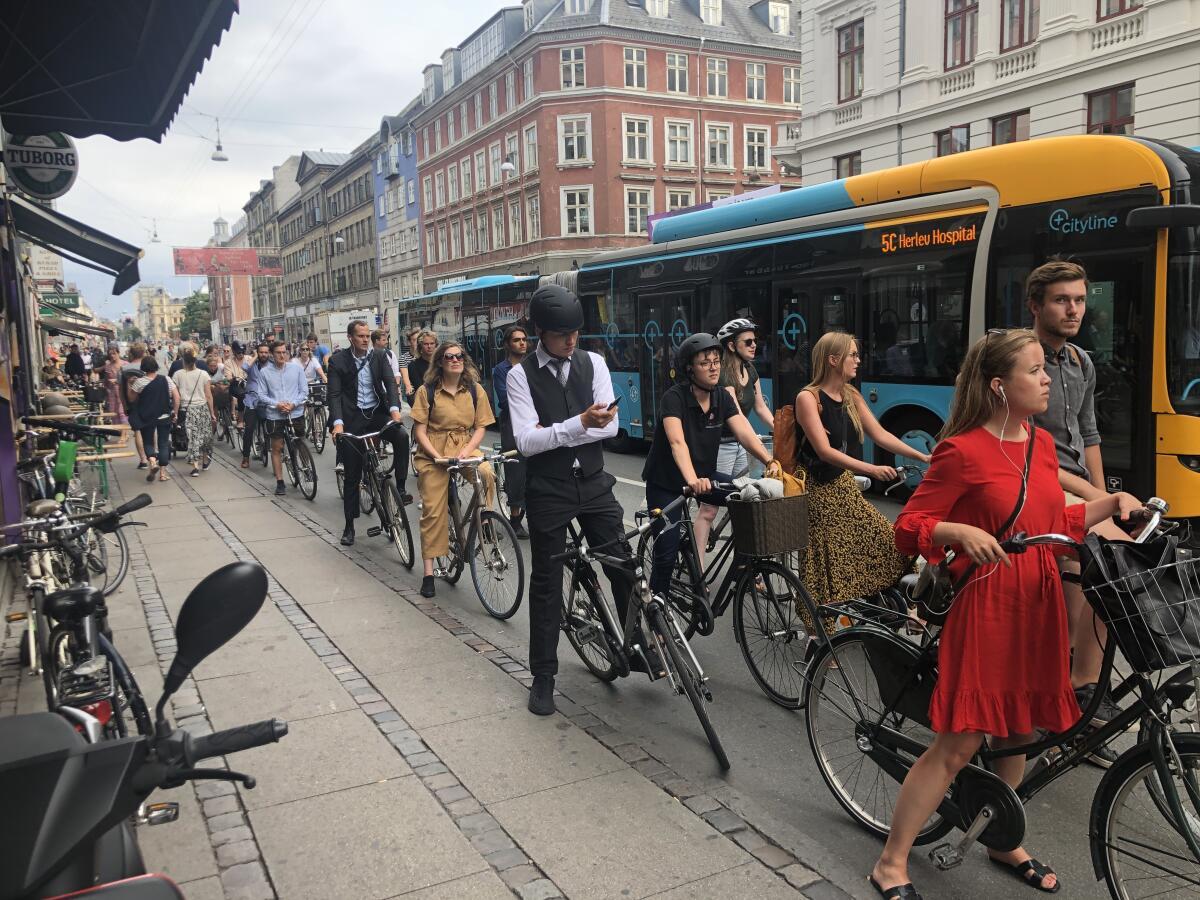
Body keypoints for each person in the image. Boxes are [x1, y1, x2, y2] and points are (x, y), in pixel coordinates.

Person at [871, 329, 1141, 899]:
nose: (1048, 379)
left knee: (1019, 729)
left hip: (1037, 599)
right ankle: (892, 862)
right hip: (988, 602)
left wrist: (1111, 504)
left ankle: (1000, 837)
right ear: (1000, 386)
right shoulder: (961, 450)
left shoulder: (1040, 444)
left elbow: (1055, 522)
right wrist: (958, 530)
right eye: (1036, 370)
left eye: (1046, 369)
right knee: (960, 742)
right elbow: (906, 530)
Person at [1025, 260, 1138, 765]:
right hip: (1034, 481)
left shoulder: (1081, 362)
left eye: (1079, 299)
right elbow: (1029, 447)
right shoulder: (1020, 361)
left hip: (1073, 483)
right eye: (1060, 300)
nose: (1073, 309)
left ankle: (1082, 690)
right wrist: (1098, 506)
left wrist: (1101, 497)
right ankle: (1069, 691)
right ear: (1035, 305)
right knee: (1089, 567)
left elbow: (1087, 436)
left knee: (1117, 566)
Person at [506, 284, 628, 717]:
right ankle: (543, 676)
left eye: (575, 332)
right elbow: (525, 441)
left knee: (622, 561)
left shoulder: (592, 362)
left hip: (593, 480)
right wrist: (577, 423)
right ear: (540, 331)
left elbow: (611, 429)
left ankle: (634, 641)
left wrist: (559, 431)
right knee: (545, 582)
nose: (571, 340)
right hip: (549, 490)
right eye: (562, 334)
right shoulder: (519, 375)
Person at [793, 332, 930, 623]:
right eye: (852, 355)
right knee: (826, 565)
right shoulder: (808, 398)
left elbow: (880, 435)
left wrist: (923, 457)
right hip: (818, 490)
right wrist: (871, 469)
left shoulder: (851, 395)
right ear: (833, 360)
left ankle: (893, 609)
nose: (858, 360)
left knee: (891, 541)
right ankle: (820, 633)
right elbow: (825, 451)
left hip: (842, 487)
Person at [642, 333, 776, 598]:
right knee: (666, 553)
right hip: (667, 483)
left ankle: (742, 565)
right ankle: (656, 611)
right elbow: (677, 443)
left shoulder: (722, 398)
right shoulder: (674, 398)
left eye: (716, 361)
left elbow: (745, 434)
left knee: (746, 499)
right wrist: (692, 480)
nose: (714, 367)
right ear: (690, 369)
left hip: (705, 475)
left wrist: (770, 460)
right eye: (705, 363)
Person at [411, 341, 496, 597]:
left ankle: (484, 519)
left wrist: (467, 451)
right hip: (433, 451)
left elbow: (481, 426)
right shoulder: (427, 392)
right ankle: (428, 573)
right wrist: (436, 456)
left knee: (486, 473)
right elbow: (419, 430)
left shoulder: (474, 390)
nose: (455, 360)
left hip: (463, 446)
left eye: (459, 356)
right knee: (433, 512)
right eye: (449, 357)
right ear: (440, 361)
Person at [693, 318, 776, 555]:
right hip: (720, 447)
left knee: (744, 505)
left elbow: (760, 408)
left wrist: (783, 433)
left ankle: (747, 568)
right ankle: (699, 572)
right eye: (747, 341)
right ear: (731, 346)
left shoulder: (750, 370)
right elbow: (738, 417)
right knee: (708, 510)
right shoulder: (724, 377)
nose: (754, 346)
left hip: (740, 447)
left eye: (755, 341)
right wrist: (760, 448)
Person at [327, 320, 410, 545]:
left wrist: (394, 410)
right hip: (351, 419)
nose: (365, 339)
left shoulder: (379, 356)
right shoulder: (337, 361)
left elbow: (390, 385)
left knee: (401, 435)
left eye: (367, 336)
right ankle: (349, 526)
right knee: (352, 475)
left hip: (375, 414)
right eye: (361, 336)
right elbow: (333, 395)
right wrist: (338, 424)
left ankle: (400, 488)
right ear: (351, 338)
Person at [491, 325, 530, 539]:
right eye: (516, 340)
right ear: (507, 344)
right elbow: (505, 401)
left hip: (534, 423)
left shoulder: (533, 366)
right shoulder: (501, 370)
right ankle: (515, 519)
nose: (522, 343)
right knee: (516, 470)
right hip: (512, 426)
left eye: (524, 339)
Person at [255, 342, 308, 495]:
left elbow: (304, 391)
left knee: (300, 441)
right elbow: (261, 395)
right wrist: (277, 404)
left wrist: (293, 404)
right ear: (272, 354)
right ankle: (280, 481)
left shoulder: (296, 369)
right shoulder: (265, 372)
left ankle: (306, 468)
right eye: (278, 352)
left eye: (284, 352)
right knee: (277, 448)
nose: (282, 355)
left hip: (295, 412)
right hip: (275, 414)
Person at [130, 355, 179, 483]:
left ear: (143, 368)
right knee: (163, 443)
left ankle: (152, 462)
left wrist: (131, 384)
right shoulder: (166, 379)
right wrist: (175, 412)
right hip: (164, 416)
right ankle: (162, 474)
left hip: (147, 417)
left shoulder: (139, 382)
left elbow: (131, 399)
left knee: (148, 442)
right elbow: (176, 397)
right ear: (156, 366)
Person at [171, 350, 215, 477]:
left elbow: (176, 396)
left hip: (186, 409)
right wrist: (212, 412)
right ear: (195, 362)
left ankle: (195, 465)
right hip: (202, 408)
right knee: (205, 436)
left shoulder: (178, 375)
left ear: (183, 362)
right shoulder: (204, 374)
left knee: (192, 437)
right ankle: (205, 460)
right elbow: (208, 395)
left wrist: (175, 412)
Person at [240, 342, 270, 468]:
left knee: (271, 427)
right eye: (261, 352)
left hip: (267, 400)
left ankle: (269, 447)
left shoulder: (271, 366)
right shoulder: (253, 365)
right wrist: (255, 356)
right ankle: (246, 457)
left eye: (265, 352)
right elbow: (245, 367)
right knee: (249, 428)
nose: (263, 354)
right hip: (252, 399)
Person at [121, 343, 150, 469]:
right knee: (150, 429)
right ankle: (152, 456)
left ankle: (143, 460)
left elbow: (120, 390)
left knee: (137, 430)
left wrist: (124, 405)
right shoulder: (148, 366)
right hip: (148, 402)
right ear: (144, 353)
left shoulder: (124, 369)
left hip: (132, 402)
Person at [407, 331, 437, 409]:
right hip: (425, 405)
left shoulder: (441, 363)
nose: (429, 346)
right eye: (426, 344)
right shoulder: (413, 365)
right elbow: (421, 388)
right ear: (420, 346)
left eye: (432, 343)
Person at [102, 347, 126, 424]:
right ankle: (118, 432)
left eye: (114, 353)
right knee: (114, 413)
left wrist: (118, 381)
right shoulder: (108, 366)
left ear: (118, 353)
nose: (112, 356)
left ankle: (124, 432)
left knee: (122, 413)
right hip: (112, 392)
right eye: (110, 354)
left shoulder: (125, 364)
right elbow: (105, 381)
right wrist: (106, 389)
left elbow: (129, 379)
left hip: (123, 391)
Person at [397, 327, 420, 406]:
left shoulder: (426, 356)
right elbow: (406, 378)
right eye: (414, 340)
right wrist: (408, 387)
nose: (417, 342)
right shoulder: (403, 358)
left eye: (419, 340)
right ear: (409, 342)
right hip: (414, 390)